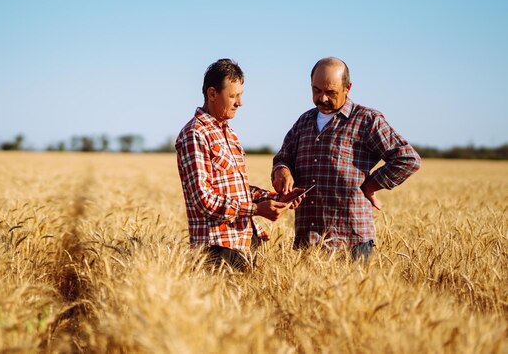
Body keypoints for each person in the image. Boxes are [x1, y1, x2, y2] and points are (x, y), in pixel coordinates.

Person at [272, 57, 421, 261]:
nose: (322, 98)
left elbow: (407, 158)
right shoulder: (304, 121)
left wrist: (371, 185)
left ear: (347, 87)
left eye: (330, 92)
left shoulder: (367, 120)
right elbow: (283, 157)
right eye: (316, 90)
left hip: (351, 243)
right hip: (307, 243)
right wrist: (283, 170)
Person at [176, 58, 304, 272]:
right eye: (233, 96)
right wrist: (256, 209)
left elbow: (238, 191)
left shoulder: (229, 133)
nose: (239, 103)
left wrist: (275, 198)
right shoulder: (194, 134)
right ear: (212, 94)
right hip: (218, 247)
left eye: (240, 95)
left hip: (245, 241)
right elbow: (203, 199)